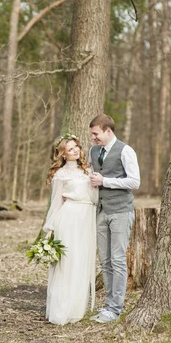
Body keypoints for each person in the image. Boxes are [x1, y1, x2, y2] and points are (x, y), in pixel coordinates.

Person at [88, 114, 140, 323]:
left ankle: (115, 309)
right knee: (106, 261)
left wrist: (105, 181)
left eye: (96, 134)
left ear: (108, 131)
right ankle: (108, 306)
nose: (93, 138)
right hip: (101, 211)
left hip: (120, 211)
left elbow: (134, 182)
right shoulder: (93, 151)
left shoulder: (126, 150)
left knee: (118, 260)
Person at [42, 134, 98, 325]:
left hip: (87, 218)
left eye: (76, 147)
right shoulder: (61, 175)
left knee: (82, 261)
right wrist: (49, 229)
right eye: (70, 149)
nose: (75, 151)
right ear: (63, 155)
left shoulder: (88, 169)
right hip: (69, 217)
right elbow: (56, 203)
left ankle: (77, 308)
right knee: (68, 263)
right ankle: (62, 308)